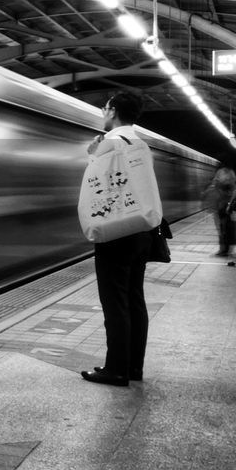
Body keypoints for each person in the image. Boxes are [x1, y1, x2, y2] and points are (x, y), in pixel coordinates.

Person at [81, 91, 156, 387]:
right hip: (142, 231)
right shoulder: (140, 143)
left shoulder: (109, 143)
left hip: (116, 232)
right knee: (135, 299)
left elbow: (99, 184)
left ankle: (116, 369)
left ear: (112, 111)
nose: (103, 111)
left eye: (104, 106)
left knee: (115, 303)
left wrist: (90, 153)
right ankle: (133, 367)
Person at [204, 160, 236, 257]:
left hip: (221, 205)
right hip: (228, 204)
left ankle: (223, 249)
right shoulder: (232, 173)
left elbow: (219, 185)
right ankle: (227, 248)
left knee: (222, 227)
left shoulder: (221, 173)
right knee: (228, 227)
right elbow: (233, 186)